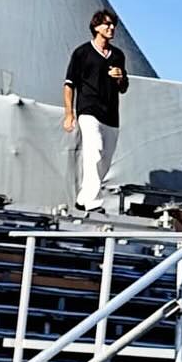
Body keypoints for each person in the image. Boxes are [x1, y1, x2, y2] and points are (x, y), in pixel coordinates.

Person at [62, 11, 129, 215]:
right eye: (107, 24)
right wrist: (69, 114)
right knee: (95, 150)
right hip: (88, 109)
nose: (111, 28)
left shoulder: (118, 55)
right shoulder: (82, 53)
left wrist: (120, 77)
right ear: (96, 27)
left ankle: (83, 198)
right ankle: (93, 202)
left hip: (111, 114)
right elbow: (69, 84)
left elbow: (124, 87)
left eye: (113, 25)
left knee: (104, 160)